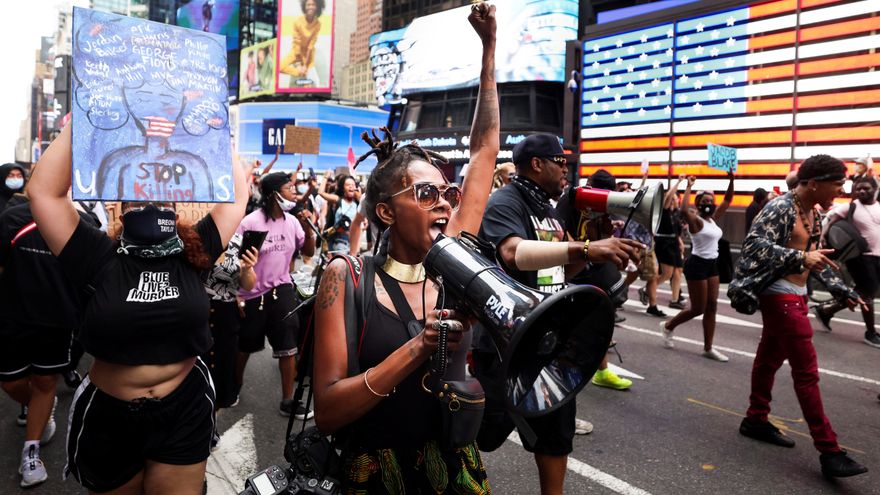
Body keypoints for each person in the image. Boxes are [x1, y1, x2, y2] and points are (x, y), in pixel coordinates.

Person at [312, 4, 498, 491]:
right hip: (377, 475)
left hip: (452, 472)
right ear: (386, 212)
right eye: (425, 193)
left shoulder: (454, 262)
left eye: (448, 195)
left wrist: (489, 50)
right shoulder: (347, 275)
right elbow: (328, 411)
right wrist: (420, 346)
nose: (444, 203)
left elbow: (483, 151)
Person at [29, 123, 248, 494]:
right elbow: (44, 192)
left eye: (163, 193)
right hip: (109, 419)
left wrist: (209, 123)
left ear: (178, 204)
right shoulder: (96, 255)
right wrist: (88, 111)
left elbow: (237, 195)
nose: (150, 201)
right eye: (137, 191)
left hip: (185, 409)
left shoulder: (195, 251)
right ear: (119, 207)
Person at [478, 135, 642, 495]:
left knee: (556, 437)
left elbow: (557, 274)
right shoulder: (505, 201)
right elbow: (512, 253)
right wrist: (584, 246)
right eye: (560, 161)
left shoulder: (548, 211)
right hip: (503, 343)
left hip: (546, 344)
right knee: (477, 433)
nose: (566, 168)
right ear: (537, 164)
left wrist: (591, 252)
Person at [730, 154, 868, 478]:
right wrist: (801, 256)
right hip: (779, 297)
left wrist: (842, 291)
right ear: (815, 182)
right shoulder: (780, 208)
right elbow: (753, 247)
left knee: (768, 360)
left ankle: (755, 418)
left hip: (799, 295)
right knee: (806, 372)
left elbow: (816, 261)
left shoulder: (814, 215)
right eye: (837, 184)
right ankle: (829, 451)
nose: (840, 191)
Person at [0, 195, 95, 487]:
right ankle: (41, 407)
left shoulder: (84, 222)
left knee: (44, 382)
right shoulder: (12, 219)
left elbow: (89, 272)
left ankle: (31, 452)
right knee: (10, 382)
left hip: (57, 323)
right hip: (12, 319)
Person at [235, 172, 316, 418]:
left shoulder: (292, 222)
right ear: (274, 194)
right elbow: (236, 261)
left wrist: (307, 228)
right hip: (252, 294)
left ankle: (288, 400)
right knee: (245, 344)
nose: (294, 192)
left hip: (282, 288)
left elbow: (308, 252)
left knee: (289, 344)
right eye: (289, 188)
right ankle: (233, 388)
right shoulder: (250, 222)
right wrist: (237, 295)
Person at [554, 168, 635, 392]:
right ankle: (563, 387)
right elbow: (559, 232)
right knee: (572, 332)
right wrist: (586, 248)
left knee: (598, 320)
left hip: (589, 269)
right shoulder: (570, 200)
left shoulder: (601, 206)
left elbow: (599, 238)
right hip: (570, 270)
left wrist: (605, 232)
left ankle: (601, 371)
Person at [660, 173, 734, 362]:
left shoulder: (713, 219)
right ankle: (668, 326)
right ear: (699, 203)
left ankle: (708, 348)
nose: (709, 202)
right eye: (705, 200)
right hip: (697, 265)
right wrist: (688, 186)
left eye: (711, 200)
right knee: (698, 308)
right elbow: (684, 209)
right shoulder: (695, 220)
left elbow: (727, 200)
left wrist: (732, 179)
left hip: (713, 265)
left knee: (712, 306)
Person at [813, 177, 880, 347]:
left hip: (877, 257)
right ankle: (870, 332)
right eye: (858, 189)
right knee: (868, 293)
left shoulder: (878, 206)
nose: (862, 192)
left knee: (863, 291)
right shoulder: (850, 207)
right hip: (860, 257)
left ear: (875, 188)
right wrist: (822, 238)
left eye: (866, 188)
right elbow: (829, 220)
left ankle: (826, 311)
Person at [202, 227, 260, 425]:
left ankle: (211, 425)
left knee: (221, 371)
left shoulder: (238, 241)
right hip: (196, 312)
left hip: (226, 316)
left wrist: (247, 268)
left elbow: (249, 285)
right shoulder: (195, 234)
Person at [655, 175, 686, 309]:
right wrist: (678, 182)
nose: (674, 200)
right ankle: (648, 289)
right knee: (667, 273)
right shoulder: (665, 211)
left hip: (674, 243)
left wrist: (680, 242)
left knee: (678, 271)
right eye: (672, 198)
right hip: (664, 243)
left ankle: (674, 300)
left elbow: (677, 232)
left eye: (676, 198)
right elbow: (667, 197)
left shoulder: (677, 214)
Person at [279, 0, 325, 86]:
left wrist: (306, 65)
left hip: (308, 54)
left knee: (314, 83)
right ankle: (300, 73)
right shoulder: (298, 22)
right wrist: (299, 67)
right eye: (308, 5)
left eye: (313, 5)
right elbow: (296, 44)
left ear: (317, 7)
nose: (310, 7)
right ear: (304, 6)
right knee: (280, 67)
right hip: (296, 52)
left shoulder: (318, 24)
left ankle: (304, 77)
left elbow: (311, 46)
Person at [318, 174, 360, 252]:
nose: (351, 187)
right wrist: (325, 177)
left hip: (354, 242)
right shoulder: (338, 200)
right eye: (348, 185)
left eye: (353, 185)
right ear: (343, 188)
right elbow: (321, 193)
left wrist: (360, 198)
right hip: (339, 242)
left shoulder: (358, 203)